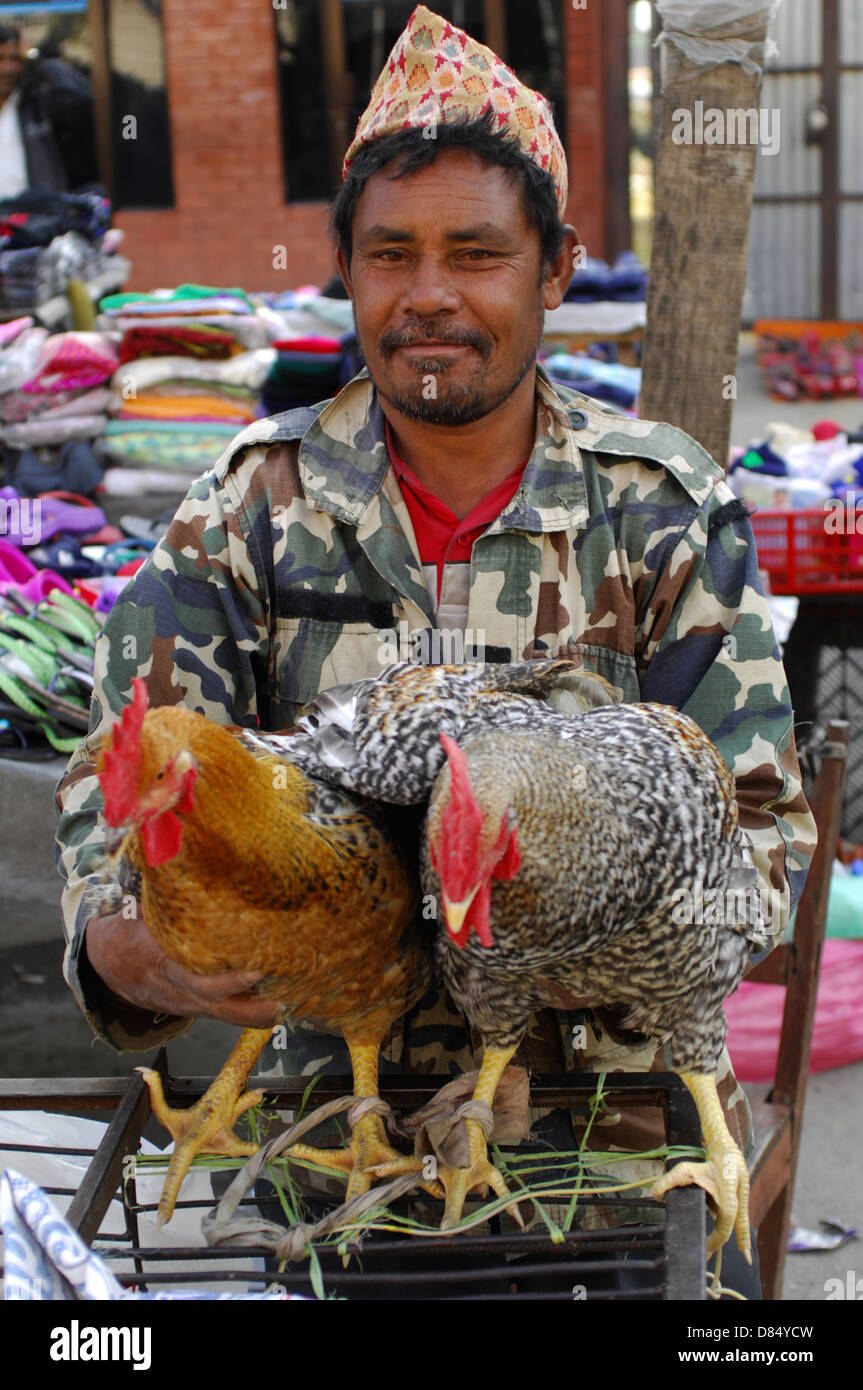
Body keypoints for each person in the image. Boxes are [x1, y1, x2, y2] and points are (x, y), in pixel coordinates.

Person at [55, 4, 815, 1295]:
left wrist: (527, 975)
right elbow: (104, 804)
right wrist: (133, 946)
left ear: (554, 268)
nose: (427, 298)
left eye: (474, 252)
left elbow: (761, 841)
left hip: (617, 1140)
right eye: (388, 253)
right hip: (334, 1147)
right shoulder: (244, 512)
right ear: (342, 267)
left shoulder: (659, 509)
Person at [0, 20, 97, 197]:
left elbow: (79, 101)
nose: (7, 68)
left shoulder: (34, 105)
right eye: (0, 58)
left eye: (15, 59)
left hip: (33, 219)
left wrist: (33, 59)